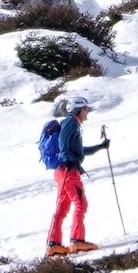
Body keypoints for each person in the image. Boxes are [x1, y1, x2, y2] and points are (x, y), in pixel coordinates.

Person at [47, 96, 109, 256]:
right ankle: (77, 241)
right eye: (86, 109)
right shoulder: (71, 122)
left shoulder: (72, 123)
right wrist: (68, 160)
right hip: (69, 170)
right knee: (81, 203)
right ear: (78, 109)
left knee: (62, 207)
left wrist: (100, 147)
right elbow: (63, 143)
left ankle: (53, 245)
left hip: (62, 170)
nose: (87, 112)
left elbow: (79, 149)